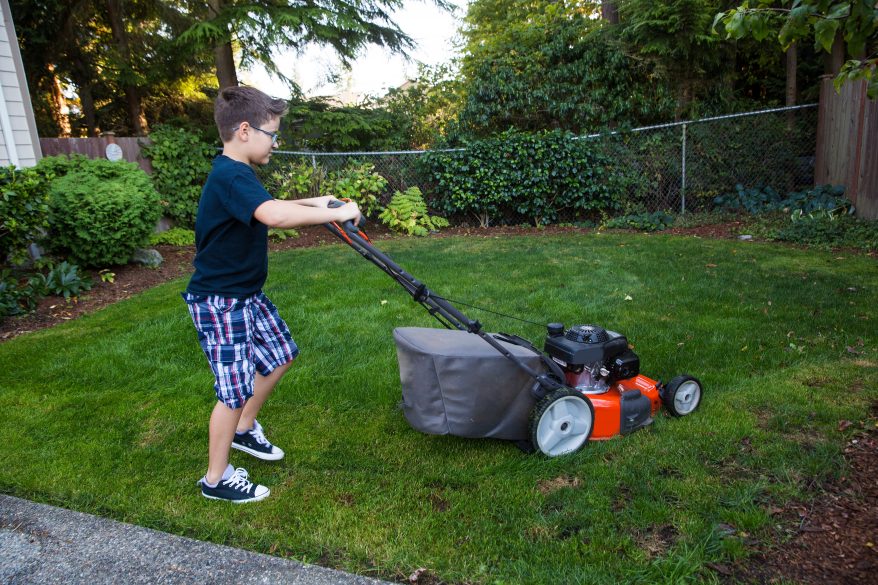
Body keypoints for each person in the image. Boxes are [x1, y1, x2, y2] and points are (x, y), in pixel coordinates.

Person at [183, 86, 361, 503]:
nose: (275, 142)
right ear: (244, 130)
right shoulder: (229, 174)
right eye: (272, 134)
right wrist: (337, 213)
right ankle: (216, 479)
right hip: (220, 301)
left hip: (245, 294)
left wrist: (317, 201)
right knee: (233, 389)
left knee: (281, 353)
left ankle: (244, 430)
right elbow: (273, 215)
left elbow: (269, 204)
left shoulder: (238, 174)